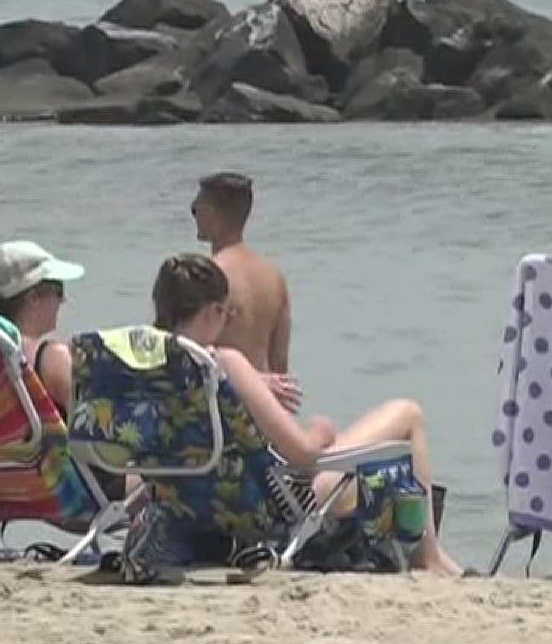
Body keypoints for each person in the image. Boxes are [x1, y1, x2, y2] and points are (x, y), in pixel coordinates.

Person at [151, 253, 461, 575]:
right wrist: (321, 431)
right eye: (226, 313)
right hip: (273, 508)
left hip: (194, 511)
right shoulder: (225, 363)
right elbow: (303, 455)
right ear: (213, 311)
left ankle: (441, 562)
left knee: (373, 471)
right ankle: (430, 558)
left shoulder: (148, 368)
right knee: (407, 415)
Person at [192, 171, 301, 411]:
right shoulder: (274, 277)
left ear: (211, 213)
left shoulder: (207, 276)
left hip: (221, 413)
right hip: (263, 414)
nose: (194, 214)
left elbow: (186, 358)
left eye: (196, 208)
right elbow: (280, 368)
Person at [0, 240, 85, 415]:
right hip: (51, 443)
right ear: (33, 298)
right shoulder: (50, 358)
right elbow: (91, 425)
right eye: (58, 290)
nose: (63, 300)